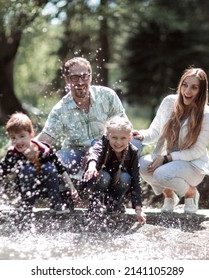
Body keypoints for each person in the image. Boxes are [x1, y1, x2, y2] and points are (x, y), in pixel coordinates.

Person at [36, 56, 142, 200]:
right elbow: (45, 138)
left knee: (136, 145)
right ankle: (65, 195)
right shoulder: (60, 109)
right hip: (78, 153)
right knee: (58, 161)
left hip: (107, 151)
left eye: (84, 76)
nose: (80, 82)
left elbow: (123, 125)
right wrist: (23, 150)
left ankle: (115, 197)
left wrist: (133, 134)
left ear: (90, 77)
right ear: (67, 79)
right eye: (74, 77)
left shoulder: (107, 96)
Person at [0, 112, 78, 219]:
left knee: (49, 167)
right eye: (13, 137)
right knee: (27, 169)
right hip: (30, 189)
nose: (18, 141)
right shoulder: (13, 155)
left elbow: (61, 170)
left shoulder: (45, 150)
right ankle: (27, 206)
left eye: (22, 136)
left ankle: (57, 206)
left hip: (52, 188)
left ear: (31, 135)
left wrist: (72, 188)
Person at [133, 67, 209, 214]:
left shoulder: (208, 115)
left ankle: (191, 193)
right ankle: (169, 196)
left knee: (161, 174)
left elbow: (196, 151)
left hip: (192, 166)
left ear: (201, 91)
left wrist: (166, 158)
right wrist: (140, 135)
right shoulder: (169, 102)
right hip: (167, 160)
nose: (187, 91)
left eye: (194, 87)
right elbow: (155, 131)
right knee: (142, 165)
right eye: (185, 85)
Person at [82, 115, 146, 225]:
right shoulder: (103, 144)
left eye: (123, 138)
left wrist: (138, 210)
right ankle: (95, 204)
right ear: (107, 135)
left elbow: (136, 181)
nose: (118, 142)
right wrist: (92, 166)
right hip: (100, 183)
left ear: (130, 138)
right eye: (114, 138)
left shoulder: (132, 152)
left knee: (126, 177)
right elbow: (94, 153)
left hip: (117, 185)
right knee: (105, 176)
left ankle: (115, 203)